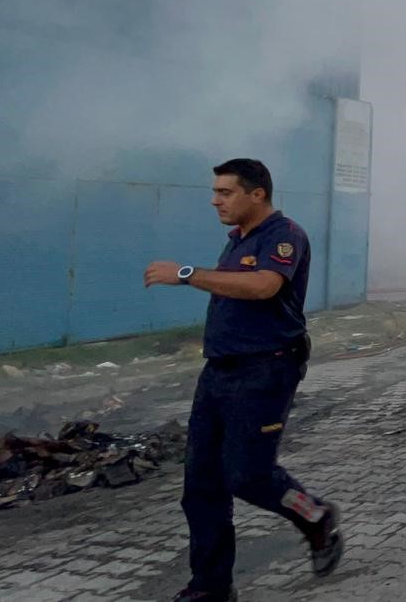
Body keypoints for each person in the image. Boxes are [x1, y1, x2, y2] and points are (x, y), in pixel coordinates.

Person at [142, 159, 341, 602]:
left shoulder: (284, 235)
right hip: (218, 372)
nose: (215, 200)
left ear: (257, 195)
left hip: (266, 370)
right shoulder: (237, 240)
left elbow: (265, 286)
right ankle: (210, 587)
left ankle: (316, 517)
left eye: (225, 192)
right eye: (215, 192)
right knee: (201, 487)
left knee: (248, 475)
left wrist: (187, 275)